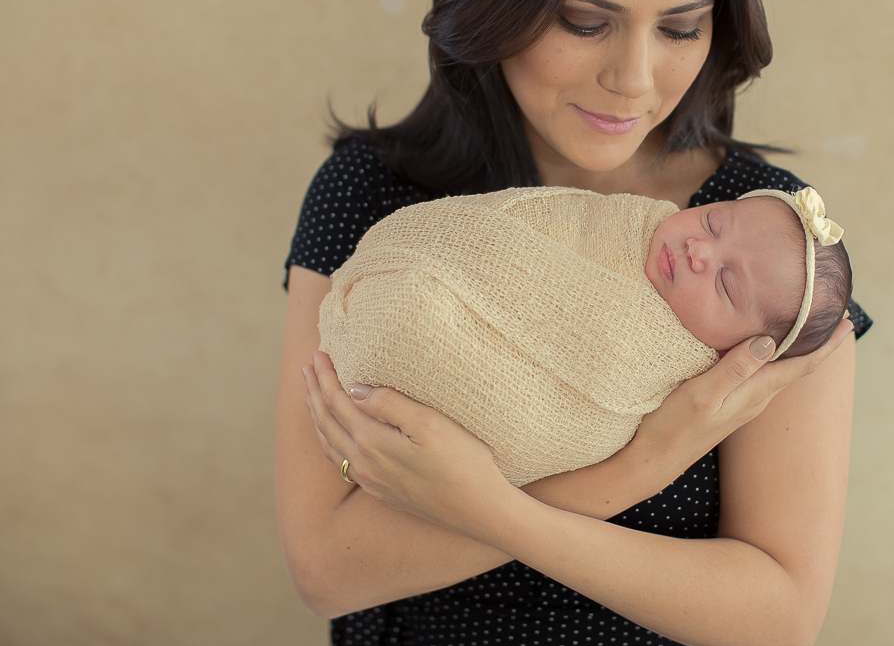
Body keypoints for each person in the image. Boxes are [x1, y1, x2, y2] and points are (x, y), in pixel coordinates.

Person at [276, 0, 873, 646]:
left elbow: (780, 621)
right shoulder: (372, 196)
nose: (633, 80)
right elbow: (326, 568)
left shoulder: (772, 251)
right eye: (585, 22)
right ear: (497, 1)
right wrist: (640, 465)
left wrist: (490, 509)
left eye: (680, 28)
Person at [318, 184, 852, 486]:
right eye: (714, 222)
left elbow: (779, 634)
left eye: (726, 284)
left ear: (740, 351)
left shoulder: (678, 364)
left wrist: (638, 468)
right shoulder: (624, 221)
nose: (699, 251)